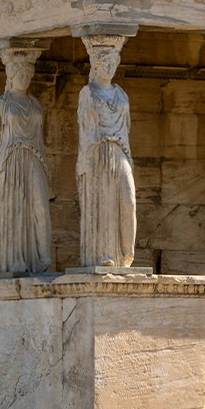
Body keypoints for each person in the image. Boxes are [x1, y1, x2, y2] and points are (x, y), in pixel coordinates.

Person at [0, 48, 52, 274]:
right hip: (10, 160)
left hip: (35, 158)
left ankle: (43, 261)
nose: (25, 78)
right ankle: (16, 261)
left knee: (40, 208)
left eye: (28, 74)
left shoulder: (35, 105)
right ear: (11, 76)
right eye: (20, 74)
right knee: (15, 209)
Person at [76, 39, 137, 268]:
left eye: (112, 62)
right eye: (104, 63)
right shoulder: (87, 94)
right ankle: (103, 255)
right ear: (95, 65)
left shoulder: (121, 95)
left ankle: (125, 255)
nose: (109, 67)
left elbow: (126, 128)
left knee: (128, 201)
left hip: (120, 151)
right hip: (98, 153)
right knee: (103, 203)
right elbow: (86, 131)